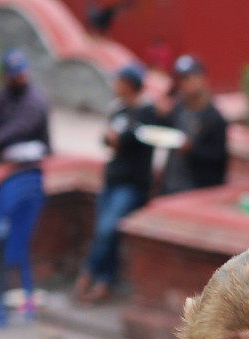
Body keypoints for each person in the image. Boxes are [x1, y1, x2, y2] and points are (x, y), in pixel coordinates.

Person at [74, 63, 157, 304]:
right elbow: (108, 139)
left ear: (129, 84)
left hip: (132, 183)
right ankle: (104, 280)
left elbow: (129, 140)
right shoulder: (118, 109)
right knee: (104, 232)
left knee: (107, 230)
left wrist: (118, 139)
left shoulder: (146, 112)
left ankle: (88, 274)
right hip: (112, 179)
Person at [0, 49, 49, 325]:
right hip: (13, 179)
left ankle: (17, 305)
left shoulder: (34, 101)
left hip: (26, 180)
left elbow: (17, 129)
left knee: (14, 246)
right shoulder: (6, 97)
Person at [159, 55, 227, 195]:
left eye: (189, 78)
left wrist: (192, 149)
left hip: (196, 189)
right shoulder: (177, 110)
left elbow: (219, 156)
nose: (186, 84)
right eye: (182, 79)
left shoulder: (214, 117)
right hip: (171, 185)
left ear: (202, 78)